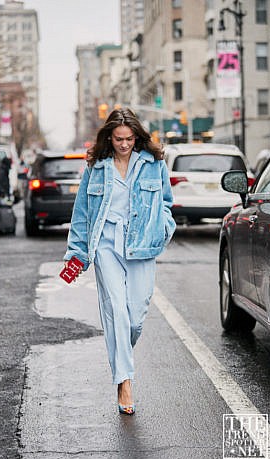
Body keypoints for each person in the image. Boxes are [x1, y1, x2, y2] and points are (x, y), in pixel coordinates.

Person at [63, 108, 176, 415]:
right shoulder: (96, 166)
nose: (124, 144)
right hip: (107, 243)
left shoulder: (154, 164)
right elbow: (83, 213)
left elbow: (166, 202)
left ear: (137, 137)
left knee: (135, 317)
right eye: (118, 139)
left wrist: (164, 228)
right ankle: (124, 380)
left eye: (129, 139)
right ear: (108, 138)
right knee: (116, 309)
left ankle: (120, 357)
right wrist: (77, 255)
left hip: (141, 244)